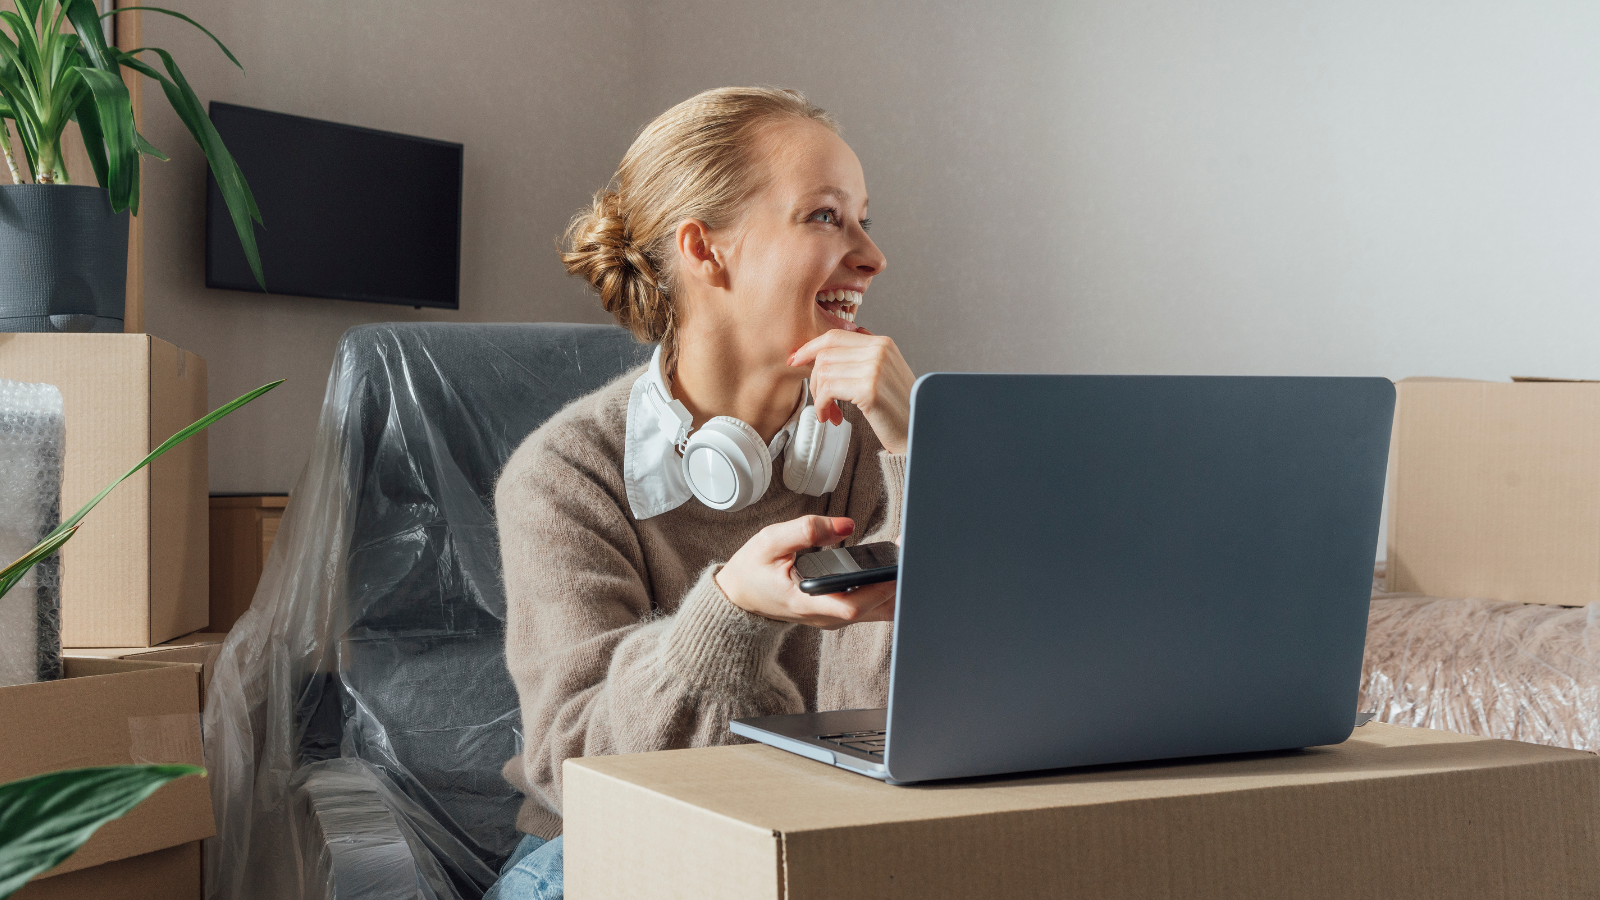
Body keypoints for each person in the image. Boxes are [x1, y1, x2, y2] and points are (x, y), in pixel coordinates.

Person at [487, 86, 914, 900]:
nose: (871, 255)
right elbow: (574, 765)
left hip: (837, 838)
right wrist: (731, 612)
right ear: (706, 250)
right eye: (826, 216)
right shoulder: (566, 476)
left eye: (865, 218)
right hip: (609, 848)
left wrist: (921, 448)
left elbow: (914, 722)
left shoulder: (885, 443)